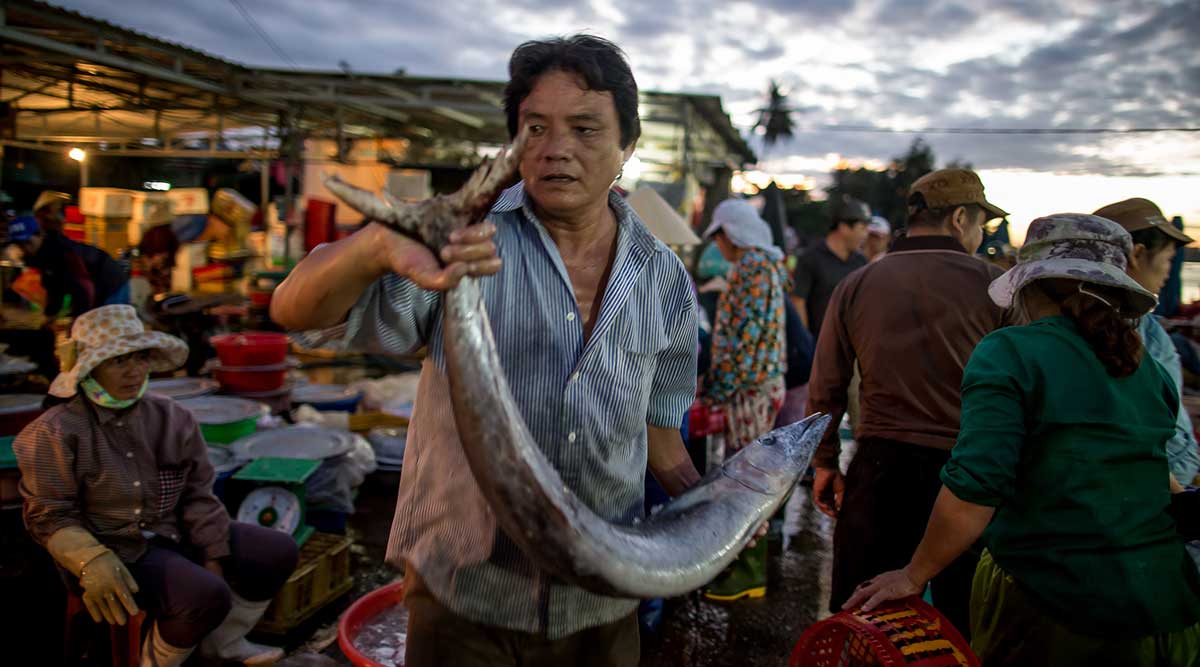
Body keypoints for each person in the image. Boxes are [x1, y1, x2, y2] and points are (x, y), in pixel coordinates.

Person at [271, 35, 701, 666]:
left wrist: (719, 514)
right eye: (536, 128)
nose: (557, 149)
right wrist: (376, 247)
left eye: (585, 128)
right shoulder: (458, 244)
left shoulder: (666, 280)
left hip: (604, 600)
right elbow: (294, 314)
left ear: (626, 147)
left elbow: (662, 442)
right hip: (464, 597)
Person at [847, 214, 1200, 666]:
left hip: (1059, 614)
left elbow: (974, 490)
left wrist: (914, 575)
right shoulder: (1146, 368)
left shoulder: (1010, 352)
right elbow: (1153, 472)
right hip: (1169, 614)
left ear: (1033, 285)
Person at [13, 305, 298, 666]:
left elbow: (197, 492)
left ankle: (223, 641)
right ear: (90, 368)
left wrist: (213, 551)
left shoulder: (172, 417)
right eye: (118, 361)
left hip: (170, 531)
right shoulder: (55, 431)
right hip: (111, 549)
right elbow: (49, 515)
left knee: (276, 550)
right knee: (204, 595)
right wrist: (90, 559)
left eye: (141, 357)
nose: (134, 371)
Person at [806, 168, 1009, 635]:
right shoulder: (998, 288)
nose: (981, 235)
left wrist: (825, 464)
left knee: (863, 620)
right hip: (965, 481)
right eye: (982, 223)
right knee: (960, 626)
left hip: (879, 472)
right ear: (960, 218)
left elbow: (826, 389)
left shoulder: (857, 284)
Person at [697, 198, 789, 601]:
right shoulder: (765, 266)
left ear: (731, 232)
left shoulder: (751, 268)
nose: (717, 243)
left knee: (747, 480)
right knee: (752, 474)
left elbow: (744, 342)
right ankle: (748, 568)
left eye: (717, 234)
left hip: (749, 390)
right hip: (759, 386)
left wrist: (719, 387)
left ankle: (749, 573)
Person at [1094, 198, 1200, 486]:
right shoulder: (1136, 331)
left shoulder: (1070, 320)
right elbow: (1139, 429)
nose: (1168, 270)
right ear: (1137, 254)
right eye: (1167, 259)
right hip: (1159, 487)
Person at [8, 215, 129, 319]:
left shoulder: (63, 253)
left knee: (105, 331)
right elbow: (55, 289)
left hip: (111, 284)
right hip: (95, 286)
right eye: (20, 245)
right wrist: (50, 316)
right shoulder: (42, 257)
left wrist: (78, 320)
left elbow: (84, 289)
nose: (25, 249)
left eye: (28, 243)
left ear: (40, 235)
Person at [791, 194, 869, 337]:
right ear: (844, 227)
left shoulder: (861, 261)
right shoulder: (810, 258)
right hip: (819, 346)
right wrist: (807, 342)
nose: (866, 234)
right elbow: (798, 301)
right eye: (862, 227)